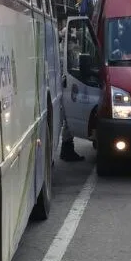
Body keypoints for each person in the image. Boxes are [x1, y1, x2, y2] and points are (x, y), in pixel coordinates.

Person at [58, 27, 85, 162]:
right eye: (72, 39)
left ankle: (67, 148)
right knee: (66, 122)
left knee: (67, 122)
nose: (74, 43)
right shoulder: (61, 54)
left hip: (68, 89)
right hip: (63, 90)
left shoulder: (70, 54)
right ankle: (66, 150)